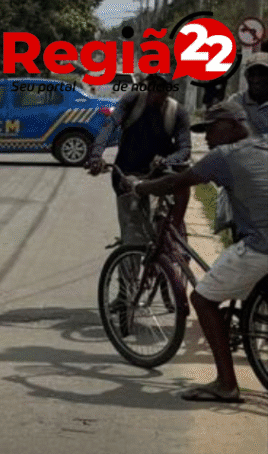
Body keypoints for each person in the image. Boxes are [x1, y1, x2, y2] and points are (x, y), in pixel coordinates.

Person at [124, 100, 268, 403]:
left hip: (262, 245)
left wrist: (139, 188)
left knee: (202, 299)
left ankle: (226, 385)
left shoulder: (223, 156)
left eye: (211, 130)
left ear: (233, 123)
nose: (208, 138)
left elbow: (177, 181)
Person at [87, 73, 192, 245]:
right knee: (133, 235)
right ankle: (130, 263)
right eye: (152, 86)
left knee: (164, 229)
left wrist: (167, 160)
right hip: (127, 173)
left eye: (161, 89)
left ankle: (171, 253)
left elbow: (185, 149)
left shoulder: (177, 112)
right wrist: (96, 155)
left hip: (158, 175)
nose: (155, 93)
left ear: (168, 91)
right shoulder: (132, 101)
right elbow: (110, 124)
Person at [224, 52, 268, 138]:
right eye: (252, 74)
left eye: (262, 74)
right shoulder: (236, 102)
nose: (256, 80)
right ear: (246, 77)